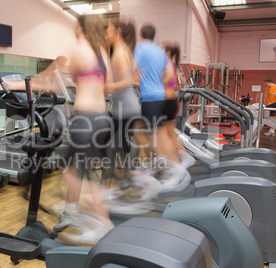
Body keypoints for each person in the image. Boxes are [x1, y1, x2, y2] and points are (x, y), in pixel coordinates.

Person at [58, 14, 114, 244]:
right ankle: (71, 209)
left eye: (75, 26)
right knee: (77, 167)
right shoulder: (101, 51)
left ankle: (102, 222)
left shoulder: (79, 47)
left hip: (85, 119)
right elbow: (107, 83)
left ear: (81, 27)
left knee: (73, 172)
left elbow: (72, 76)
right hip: (103, 118)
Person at [134, 24, 189, 192]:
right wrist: (158, 83)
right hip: (161, 98)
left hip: (150, 97)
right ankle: (158, 163)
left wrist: (143, 81)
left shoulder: (140, 47)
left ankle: (174, 168)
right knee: (150, 131)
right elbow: (170, 76)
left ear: (141, 34)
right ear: (154, 35)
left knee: (152, 133)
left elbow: (130, 68)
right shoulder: (159, 51)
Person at [102, 18, 141, 187]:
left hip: (125, 109)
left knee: (110, 150)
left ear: (117, 32)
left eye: (108, 30)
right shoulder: (125, 50)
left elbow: (125, 82)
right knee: (113, 149)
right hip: (127, 107)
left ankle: (105, 191)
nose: (106, 34)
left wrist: (107, 86)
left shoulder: (119, 54)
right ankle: (111, 188)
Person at [161, 41, 195, 169]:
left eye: (162, 49)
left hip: (167, 102)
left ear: (167, 52)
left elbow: (171, 79)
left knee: (163, 133)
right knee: (170, 133)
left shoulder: (167, 65)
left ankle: (177, 158)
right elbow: (180, 84)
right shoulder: (174, 65)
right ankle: (181, 157)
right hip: (171, 102)